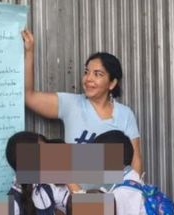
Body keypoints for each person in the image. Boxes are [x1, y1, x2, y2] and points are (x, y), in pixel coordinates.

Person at [22, 31, 145, 175]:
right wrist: (29, 52)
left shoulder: (125, 114)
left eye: (98, 74)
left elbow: (135, 160)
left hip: (112, 194)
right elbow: (28, 96)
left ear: (112, 83)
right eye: (87, 72)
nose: (88, 79)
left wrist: (132, 189)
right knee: (25, 157)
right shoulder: (70, 104)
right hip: (75, 195)